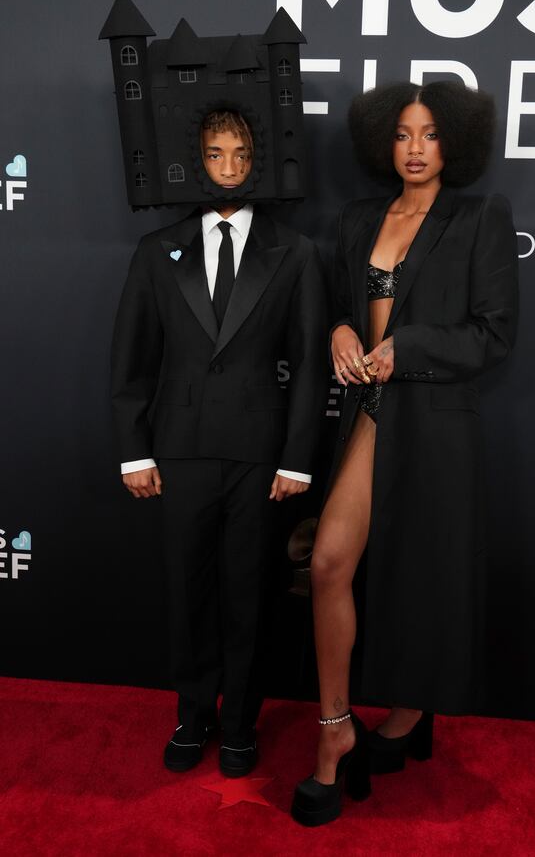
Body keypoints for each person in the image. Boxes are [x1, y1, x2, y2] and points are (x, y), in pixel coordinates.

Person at [291, 81, 518, 826]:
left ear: (454, 140)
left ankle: (410, 715)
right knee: (328, 563)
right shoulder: (361, 219)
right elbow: (337, 309)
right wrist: (341, 334)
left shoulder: (480, 218)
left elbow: (493, 335)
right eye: (401, 135)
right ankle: (334, 730)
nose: (415, 149)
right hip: (366, 413)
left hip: (434, 422)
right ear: (382, 145)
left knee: (422, 579)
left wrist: (404, 348)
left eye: (428, 134)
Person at [111, 110, 327, 777]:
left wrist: (296, 457)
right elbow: (132, 359)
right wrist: (135, 449)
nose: (229, 166)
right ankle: (193, 713)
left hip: (260, 454)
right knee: (188, 590)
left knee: (249, 593)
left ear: (258, 161)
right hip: (178, 450)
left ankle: (240, 724)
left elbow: (311, 365)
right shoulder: (157, 250)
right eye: (215, 153)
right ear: (194, 159)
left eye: (240, 154)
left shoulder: (293, 251)